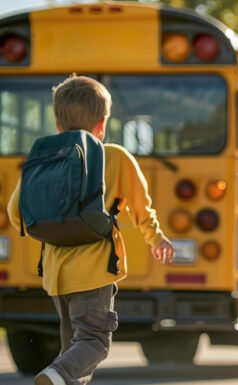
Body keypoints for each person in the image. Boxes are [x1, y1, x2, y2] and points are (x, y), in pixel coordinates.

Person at [7, 75, 174, 385]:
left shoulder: (41, 160)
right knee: (94, 343)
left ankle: (57, 375)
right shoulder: (115, 156)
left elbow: (16, 213)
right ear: (103, 123)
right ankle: (53, 373)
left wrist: (55, 230)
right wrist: (156, 238)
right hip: (96, 269)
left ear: (57, 124)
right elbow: (141, 208)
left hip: (57, 273)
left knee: (74, 350)